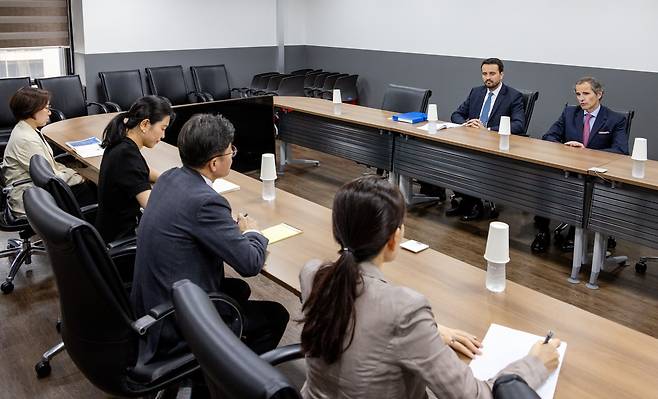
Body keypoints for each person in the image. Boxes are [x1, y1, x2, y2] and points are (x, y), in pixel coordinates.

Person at [300, 175, 560, 399]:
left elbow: (364, 324)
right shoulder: (404, 310)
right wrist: (535, 364)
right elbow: (475, 395)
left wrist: (428, 331)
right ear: (394, 238)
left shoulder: (312, 274)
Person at [131, 113, 289, 364]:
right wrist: (252, 232)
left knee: (238, 290)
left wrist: (225, 227)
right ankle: (237, 380)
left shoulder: (170, 178)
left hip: (149, 302)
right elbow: (250, 264)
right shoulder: (206, 202)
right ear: (214, 163)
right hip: (175, 320)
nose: (232, 155)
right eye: (231, 151)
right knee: (275, 315)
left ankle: (221, 360)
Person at [532, 77, 629, 253]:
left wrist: (586, 152)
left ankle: (574, 232)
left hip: (595, 174)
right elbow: (549, 136)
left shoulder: (615, 119)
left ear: (599, 94)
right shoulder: (570, 113)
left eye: (586, 93)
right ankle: (542, 231)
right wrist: (566, 147)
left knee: (582, 187)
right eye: (578, 94)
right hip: (568, 168)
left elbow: (621, 151)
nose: (581, 98)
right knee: (543, 180)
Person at [449, 58, 526, 221]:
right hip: (471, 141)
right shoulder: (476, 92)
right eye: (484, 74)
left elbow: (519, 125)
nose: (487, 77)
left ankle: (474, 203)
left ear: (501, 74)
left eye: (492, 73)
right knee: (452, 158)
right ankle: (466, 200)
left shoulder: (513, 96)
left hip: (495, 145)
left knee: (471, 161)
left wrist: (488, 130)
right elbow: (456, 114)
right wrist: (466, 123)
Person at [2, 87, 97, 216]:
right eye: (46, 108)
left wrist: (76, 172)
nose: (50, 113)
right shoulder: (27, 140)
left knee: (89, 182)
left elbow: (50, 166)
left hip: (36, 190)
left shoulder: (27, 129)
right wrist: (80, 177)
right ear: (32, 110)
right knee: (95, 190)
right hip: (32, 197)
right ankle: (92, 232)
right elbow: (49, 178)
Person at [95, 96, 173, 243]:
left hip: (109, 232)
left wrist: (170, 178)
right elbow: (153, 208)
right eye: (162, 128)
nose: (163, 136)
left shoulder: (122, 143)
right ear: (145, 124)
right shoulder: (127, 156)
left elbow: (143, 170)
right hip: (121, 239)